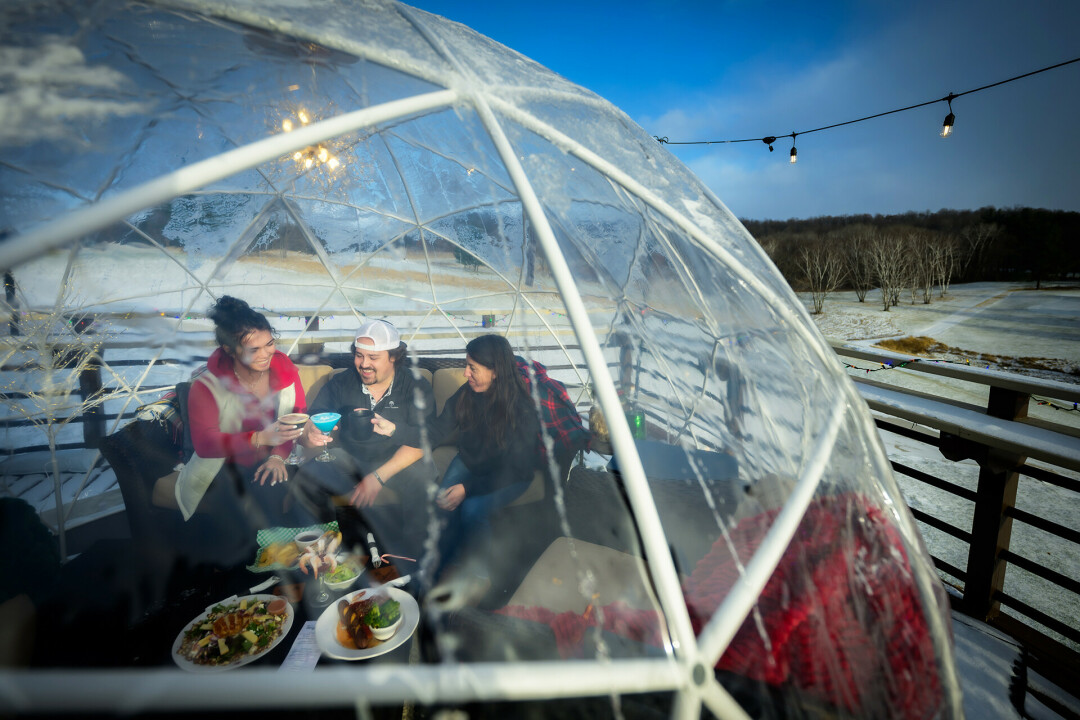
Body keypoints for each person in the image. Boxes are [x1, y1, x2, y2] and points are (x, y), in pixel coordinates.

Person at [175, 296, 306, 561]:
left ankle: (279, 567)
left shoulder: (284, 368)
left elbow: (296, 416)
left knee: (272, 487)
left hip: (270, 459)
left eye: (269, 344)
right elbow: (205, 444)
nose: (266, 353)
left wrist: (278, 455)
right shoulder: (207, 385)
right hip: (222, 464)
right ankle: (234, 570)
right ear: (230, 349)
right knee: (230, 502)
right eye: (253, 349)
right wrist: (259, 438)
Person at [295, 319, 437, 559]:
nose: (364, 365)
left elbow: (423, 440)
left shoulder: (415, 387)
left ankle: (413, 558)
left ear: (393, 356)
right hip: (351, 458)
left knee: (424, 479)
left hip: (398, 458)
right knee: (307, 478)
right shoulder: (341, 383)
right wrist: (309, 435)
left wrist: (378, 477)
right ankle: (323, 553)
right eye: (359, 356)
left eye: (373, 358)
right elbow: (311, 423)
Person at [425, 334, 541, 575]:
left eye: (472, 368)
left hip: (512, 474)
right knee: (442, 502)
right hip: (471, 462)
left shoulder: (522, 409)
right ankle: (445, 563)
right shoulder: (467, 393)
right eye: (466, 366)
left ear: (495, 371)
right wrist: (397, 433)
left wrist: (466, 489)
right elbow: (437, 428)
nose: (466, 373)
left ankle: (481, 574)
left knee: (472, 509)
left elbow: (515, 468)